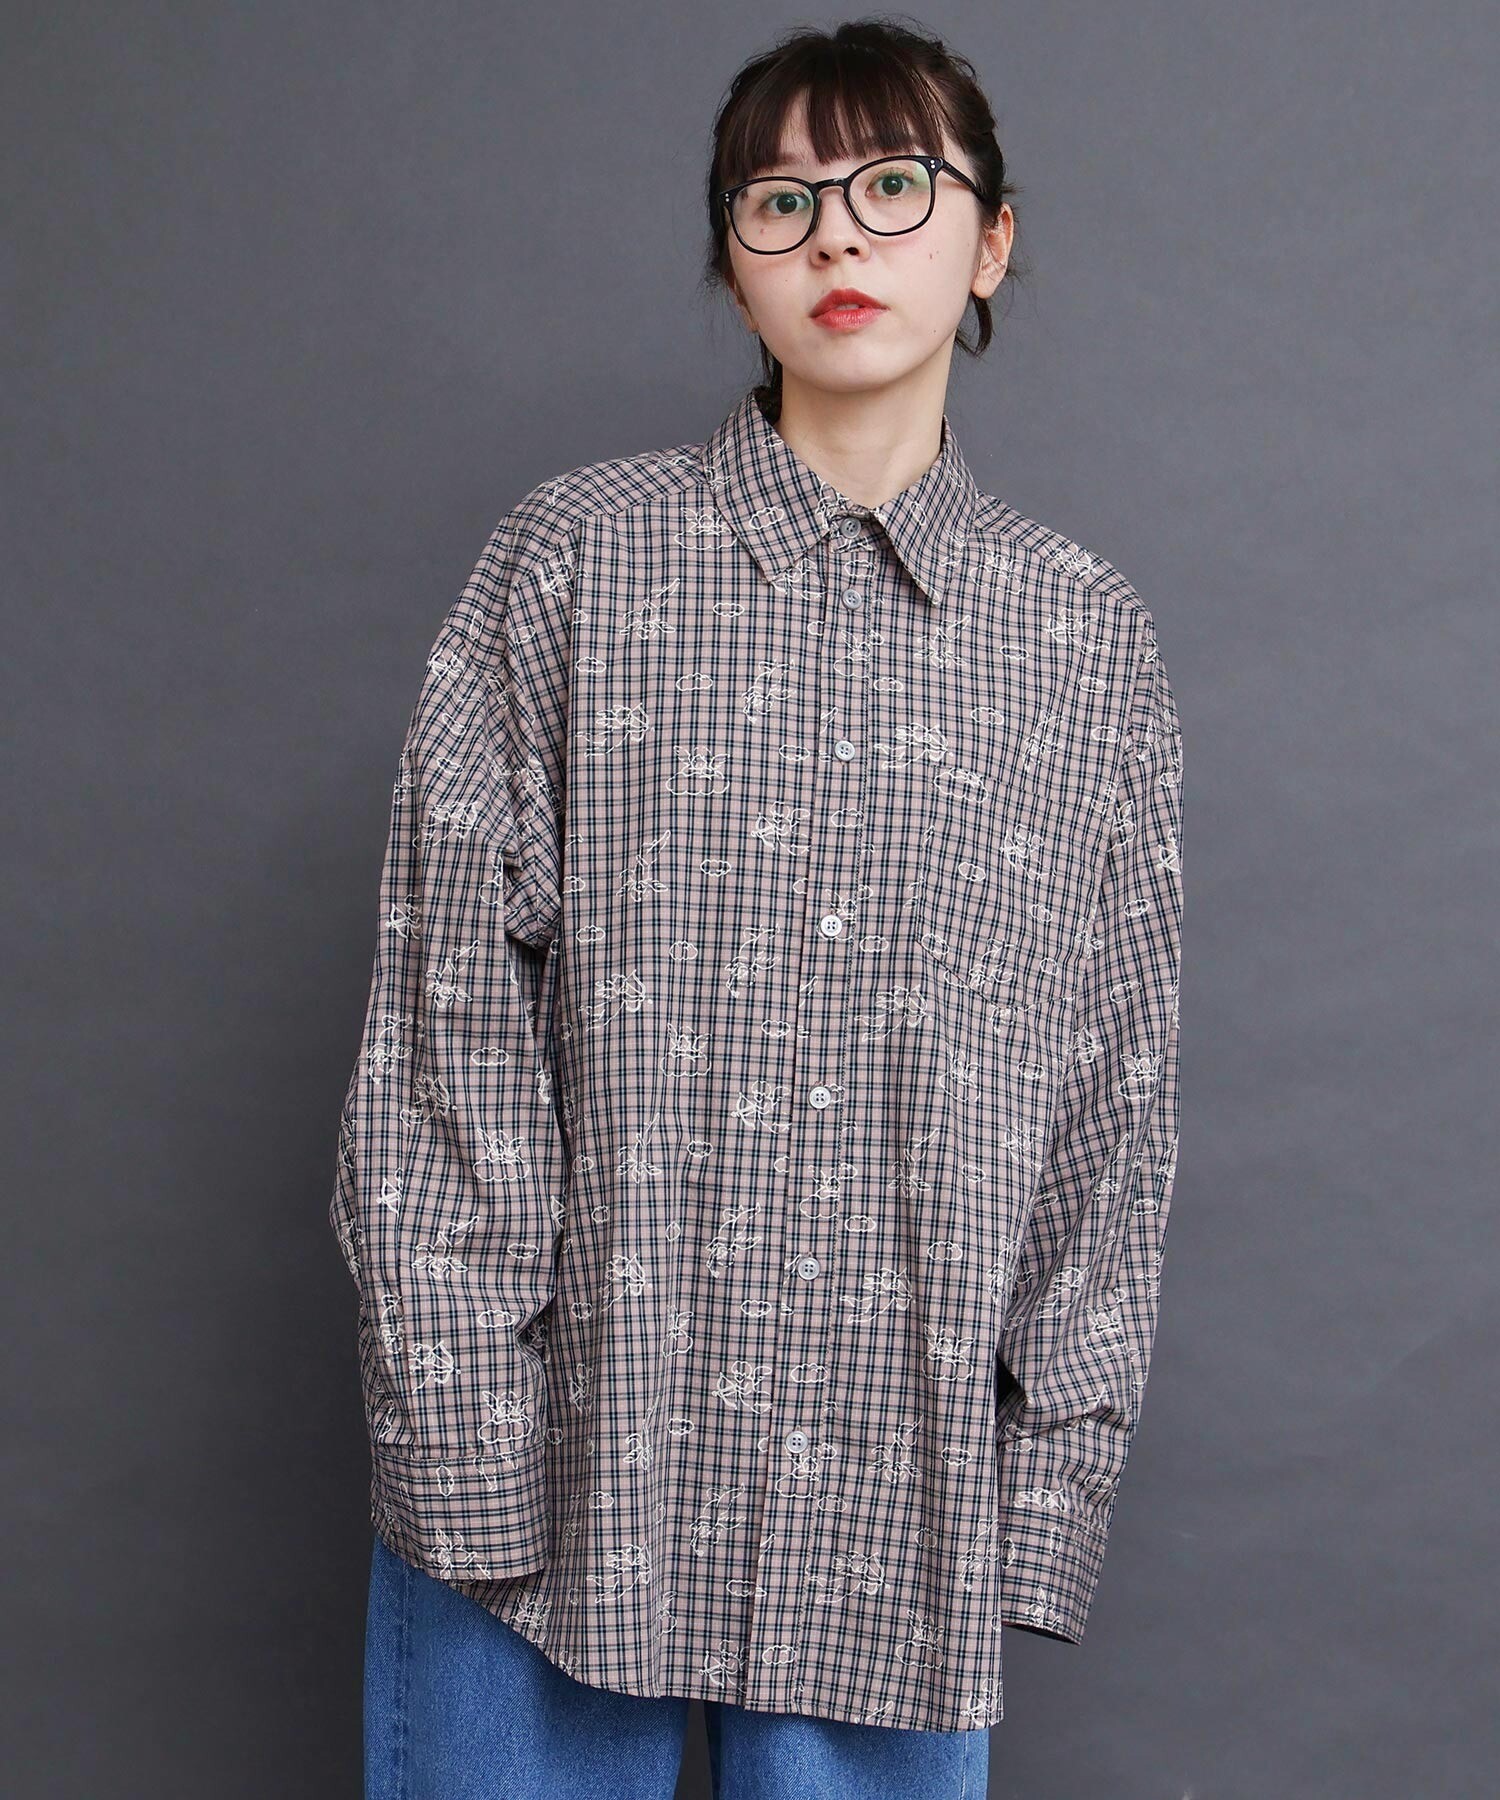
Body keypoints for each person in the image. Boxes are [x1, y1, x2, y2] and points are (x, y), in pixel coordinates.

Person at [332, 18, 1185, 1799]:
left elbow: (1110, 1101)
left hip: (894, 1506)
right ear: (732, 265)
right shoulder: (575, 564)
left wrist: (1045, 1486)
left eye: (894, 186)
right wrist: (468, 1430)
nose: (837, 235)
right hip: (555, 1483)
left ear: (993, 240)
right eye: (779, 200)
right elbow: (442, 1028)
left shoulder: (1083, 646)